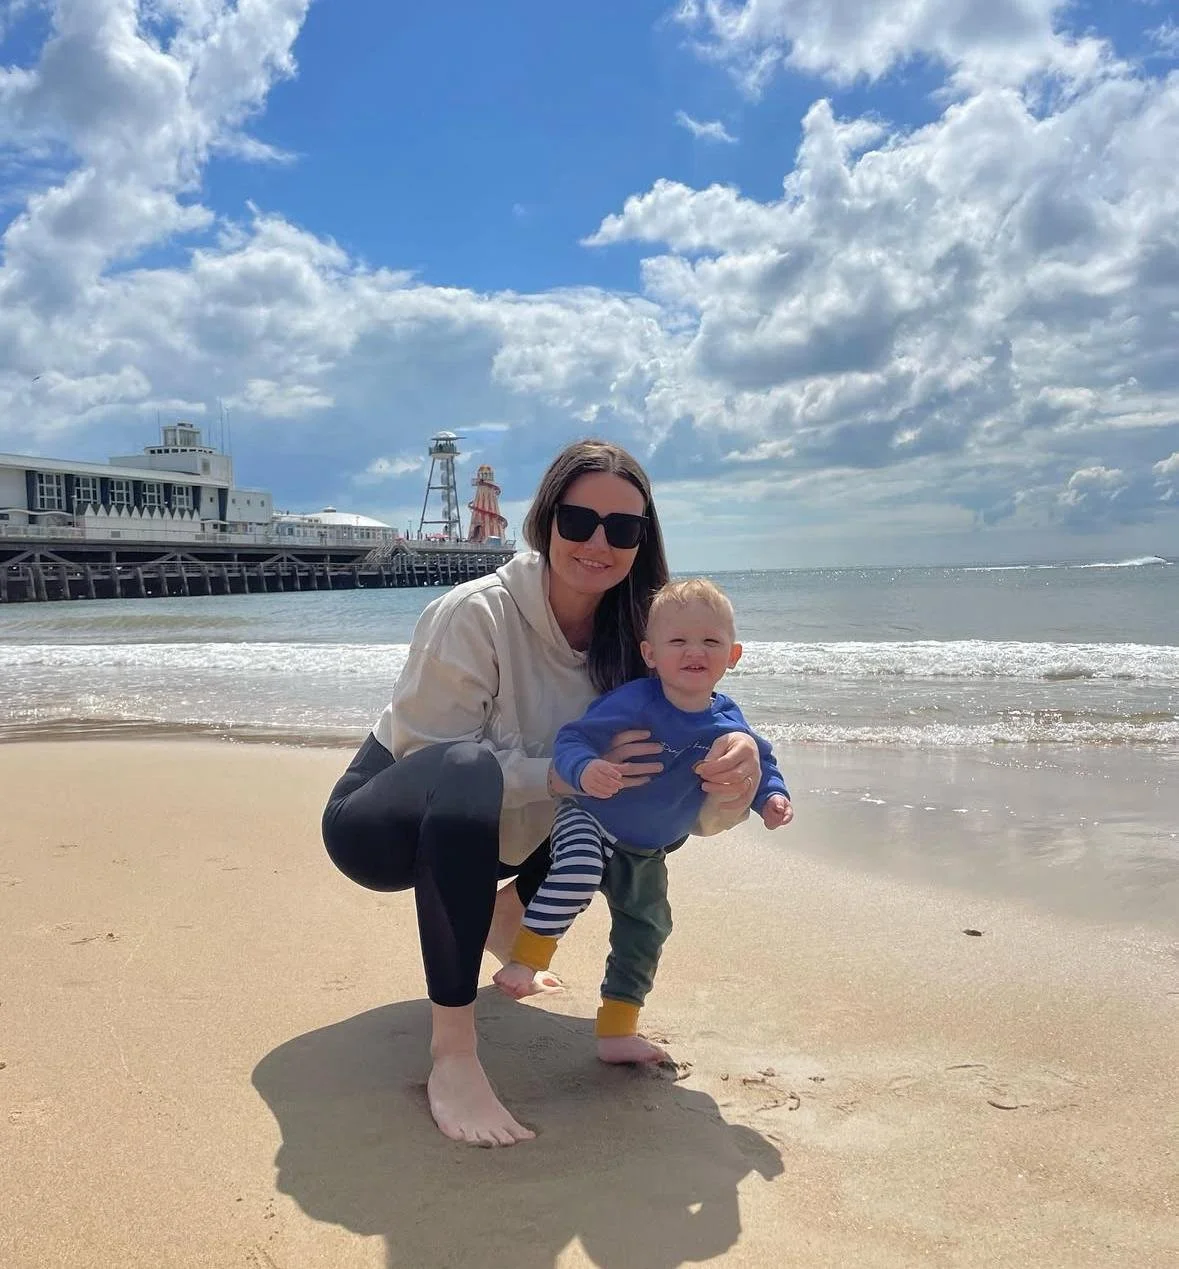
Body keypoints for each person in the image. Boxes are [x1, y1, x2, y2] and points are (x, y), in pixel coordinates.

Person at [320, 441, 767, 1147]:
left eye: (623, 528)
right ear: (544, 520)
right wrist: (559, 775)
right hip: (386, 826)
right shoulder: (475, 613)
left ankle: (506, 914)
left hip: (515, 829)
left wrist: (736, 769)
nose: (598, 543)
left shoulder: (640, 639)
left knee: (647, 773)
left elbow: (682, 789)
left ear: (643, 538)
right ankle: (453, 1054)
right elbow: (431, 758)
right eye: (579, 520)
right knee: (470, 766)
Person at [493, 578, 793, 1059]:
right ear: (650, 654)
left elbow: (758, 762)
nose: (694, 651)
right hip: (590, 817)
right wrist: (584, 769)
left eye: (710, 641)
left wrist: (772, 798)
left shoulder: (728, 720)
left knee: (647, 932)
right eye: (678, 641)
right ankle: (525, 962)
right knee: (578, 871)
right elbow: (574, 738)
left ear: (733, 655)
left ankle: (617, 1033)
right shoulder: (635, 701)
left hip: (646, 851)